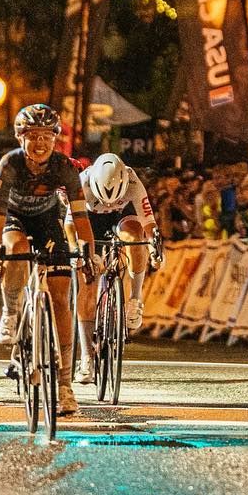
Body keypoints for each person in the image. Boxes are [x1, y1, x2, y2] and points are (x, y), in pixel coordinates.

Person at [0, 104, 100, 416]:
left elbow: (79, 216)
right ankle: (11, 311)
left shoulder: (64, 167)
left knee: (61, 296)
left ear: (55, 140)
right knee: (16, 248)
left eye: (47, 137)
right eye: (33, 136)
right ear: (20, 138)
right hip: (14, 219)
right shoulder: (9, 165)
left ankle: (64, 384)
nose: (40, 143)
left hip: (48, 220)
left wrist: (88, 252)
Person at [70, 152, 161, 385]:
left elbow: (149, 223)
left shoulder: (132, 180)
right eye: (106, 199)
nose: (109, 203)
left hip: (123, 216)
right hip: (90, 221)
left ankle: (134, 300)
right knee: (88, 284)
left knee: (135, 236)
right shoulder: (83, 182)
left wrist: (154, 249)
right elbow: (70, 227)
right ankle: (86, 358)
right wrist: (80, 256)